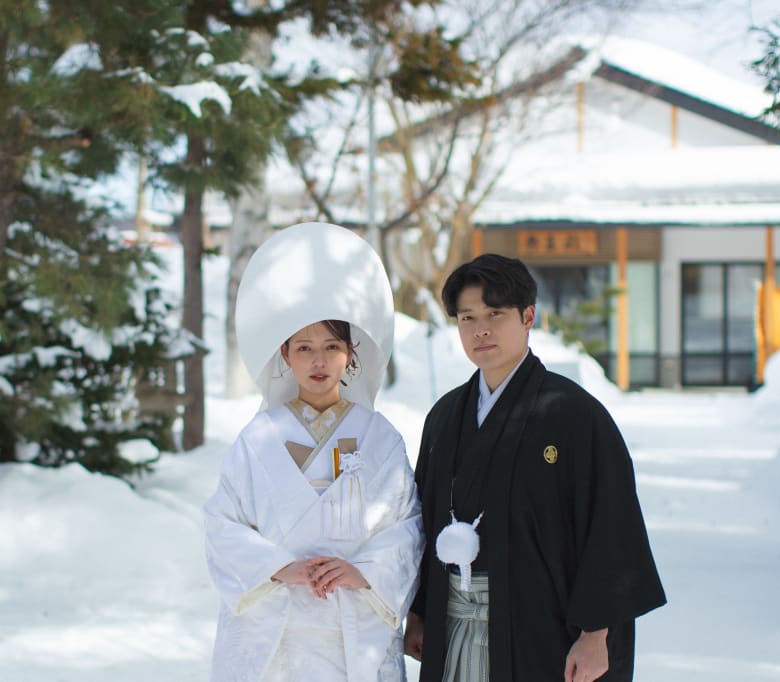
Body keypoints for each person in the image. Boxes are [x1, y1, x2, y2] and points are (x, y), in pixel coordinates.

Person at [403, 253, 666, 682]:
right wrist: (418, 612)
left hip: (543, 629)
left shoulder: (575, 416)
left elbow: (610, 530)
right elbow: (422, 522)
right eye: (467, 318)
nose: (480, 330)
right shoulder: (446, 416)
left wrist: (596, 635)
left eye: (495, 314)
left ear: (528, 317)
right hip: (454, 624)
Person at [203, 223, 424, 682]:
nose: (318, 361)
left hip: (352, 629)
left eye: (331, 347)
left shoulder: (380, 438)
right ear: (285, 355)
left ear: (350, 355)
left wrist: (360, 571)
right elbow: (222, 527)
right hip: (278, 636)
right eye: (304, 348)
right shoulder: (258, 437)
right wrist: (283, 568)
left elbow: (407, 528)